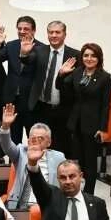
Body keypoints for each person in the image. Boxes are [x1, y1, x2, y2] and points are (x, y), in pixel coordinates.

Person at [26, 142, 111, 220]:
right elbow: (38, 183)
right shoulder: (50, 196)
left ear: (81, 176)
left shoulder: (97, 203)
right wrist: (33, 163)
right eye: (63, 178)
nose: (67, 181)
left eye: (72, 176)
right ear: (58, 179)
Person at [55, 42, 111, 195]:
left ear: (99, 58)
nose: (89, 58)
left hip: (92, 126)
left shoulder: (104, 77)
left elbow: (105, 106)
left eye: (93, 56)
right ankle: (74, 191)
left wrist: (103, 128)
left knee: (90, 163)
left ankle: (88, 195)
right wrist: (61, 74)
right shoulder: (77, 72)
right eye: (86, 55)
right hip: (75, 123)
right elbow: (61, 87)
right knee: (75, 160)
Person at [28, 21, 80, 156]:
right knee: (40, 145)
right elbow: (27, 62)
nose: (54, 35)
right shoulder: (39, 51)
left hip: (63, 109)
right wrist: (23, 54)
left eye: (57, 32)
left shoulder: (74, 55)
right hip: (41, 107)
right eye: (51, 32)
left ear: (65, 34)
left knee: (62, 147)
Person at [0, 104, 65, 209]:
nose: (36, 141)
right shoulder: (21, 152)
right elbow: (6, 146)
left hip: (47, 207)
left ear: (49, 142)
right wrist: (5, 127)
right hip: (20, 206)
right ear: (28, 140)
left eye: (40, 138)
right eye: (33, 138)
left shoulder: (58, 157)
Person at [0, 16, 44, 144]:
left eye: (26, 29)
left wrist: (25, 53)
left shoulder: (41, 48)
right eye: (19, 28)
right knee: (13, 139)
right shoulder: (11, 45)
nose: (22, 31)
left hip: (31, 102)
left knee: (34, 138)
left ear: (33, 31)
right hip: (11, 101)